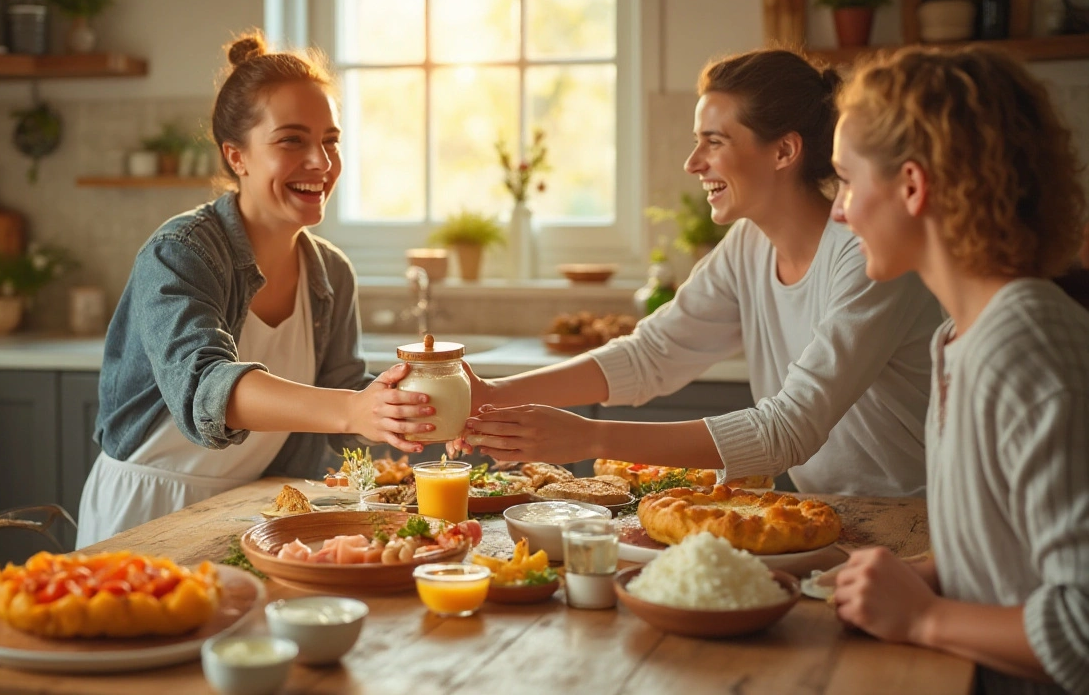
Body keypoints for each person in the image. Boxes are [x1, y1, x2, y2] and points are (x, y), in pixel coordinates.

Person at [456, 49, 942, 497]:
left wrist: (589, 437)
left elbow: (786, 431)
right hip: (828, 510)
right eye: (697, 142)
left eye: (714, 141)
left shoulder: (868, 257)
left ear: (783, 152)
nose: (693, 163)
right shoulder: (749, 246)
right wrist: (493, 395)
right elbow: (653, 354)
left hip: (914, 519)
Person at [76, 30, 434, 547]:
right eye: (292, 140)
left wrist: (414, 402)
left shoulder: (330, 273)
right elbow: (207, 386)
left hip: (254, 513)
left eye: (330, 141)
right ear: (236, 156)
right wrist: (354, 409)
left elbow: (343, 397)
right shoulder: (180, 252)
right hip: (146, 511)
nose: (321, 162)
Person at [828, 46, 1088, 695]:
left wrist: (924, 616)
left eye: (847, 180)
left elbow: (1081, 626)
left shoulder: (1026, 348)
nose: (840, 210)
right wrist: (927, 573)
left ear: (913, 186)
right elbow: (1013, 552)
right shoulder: (957, 338)